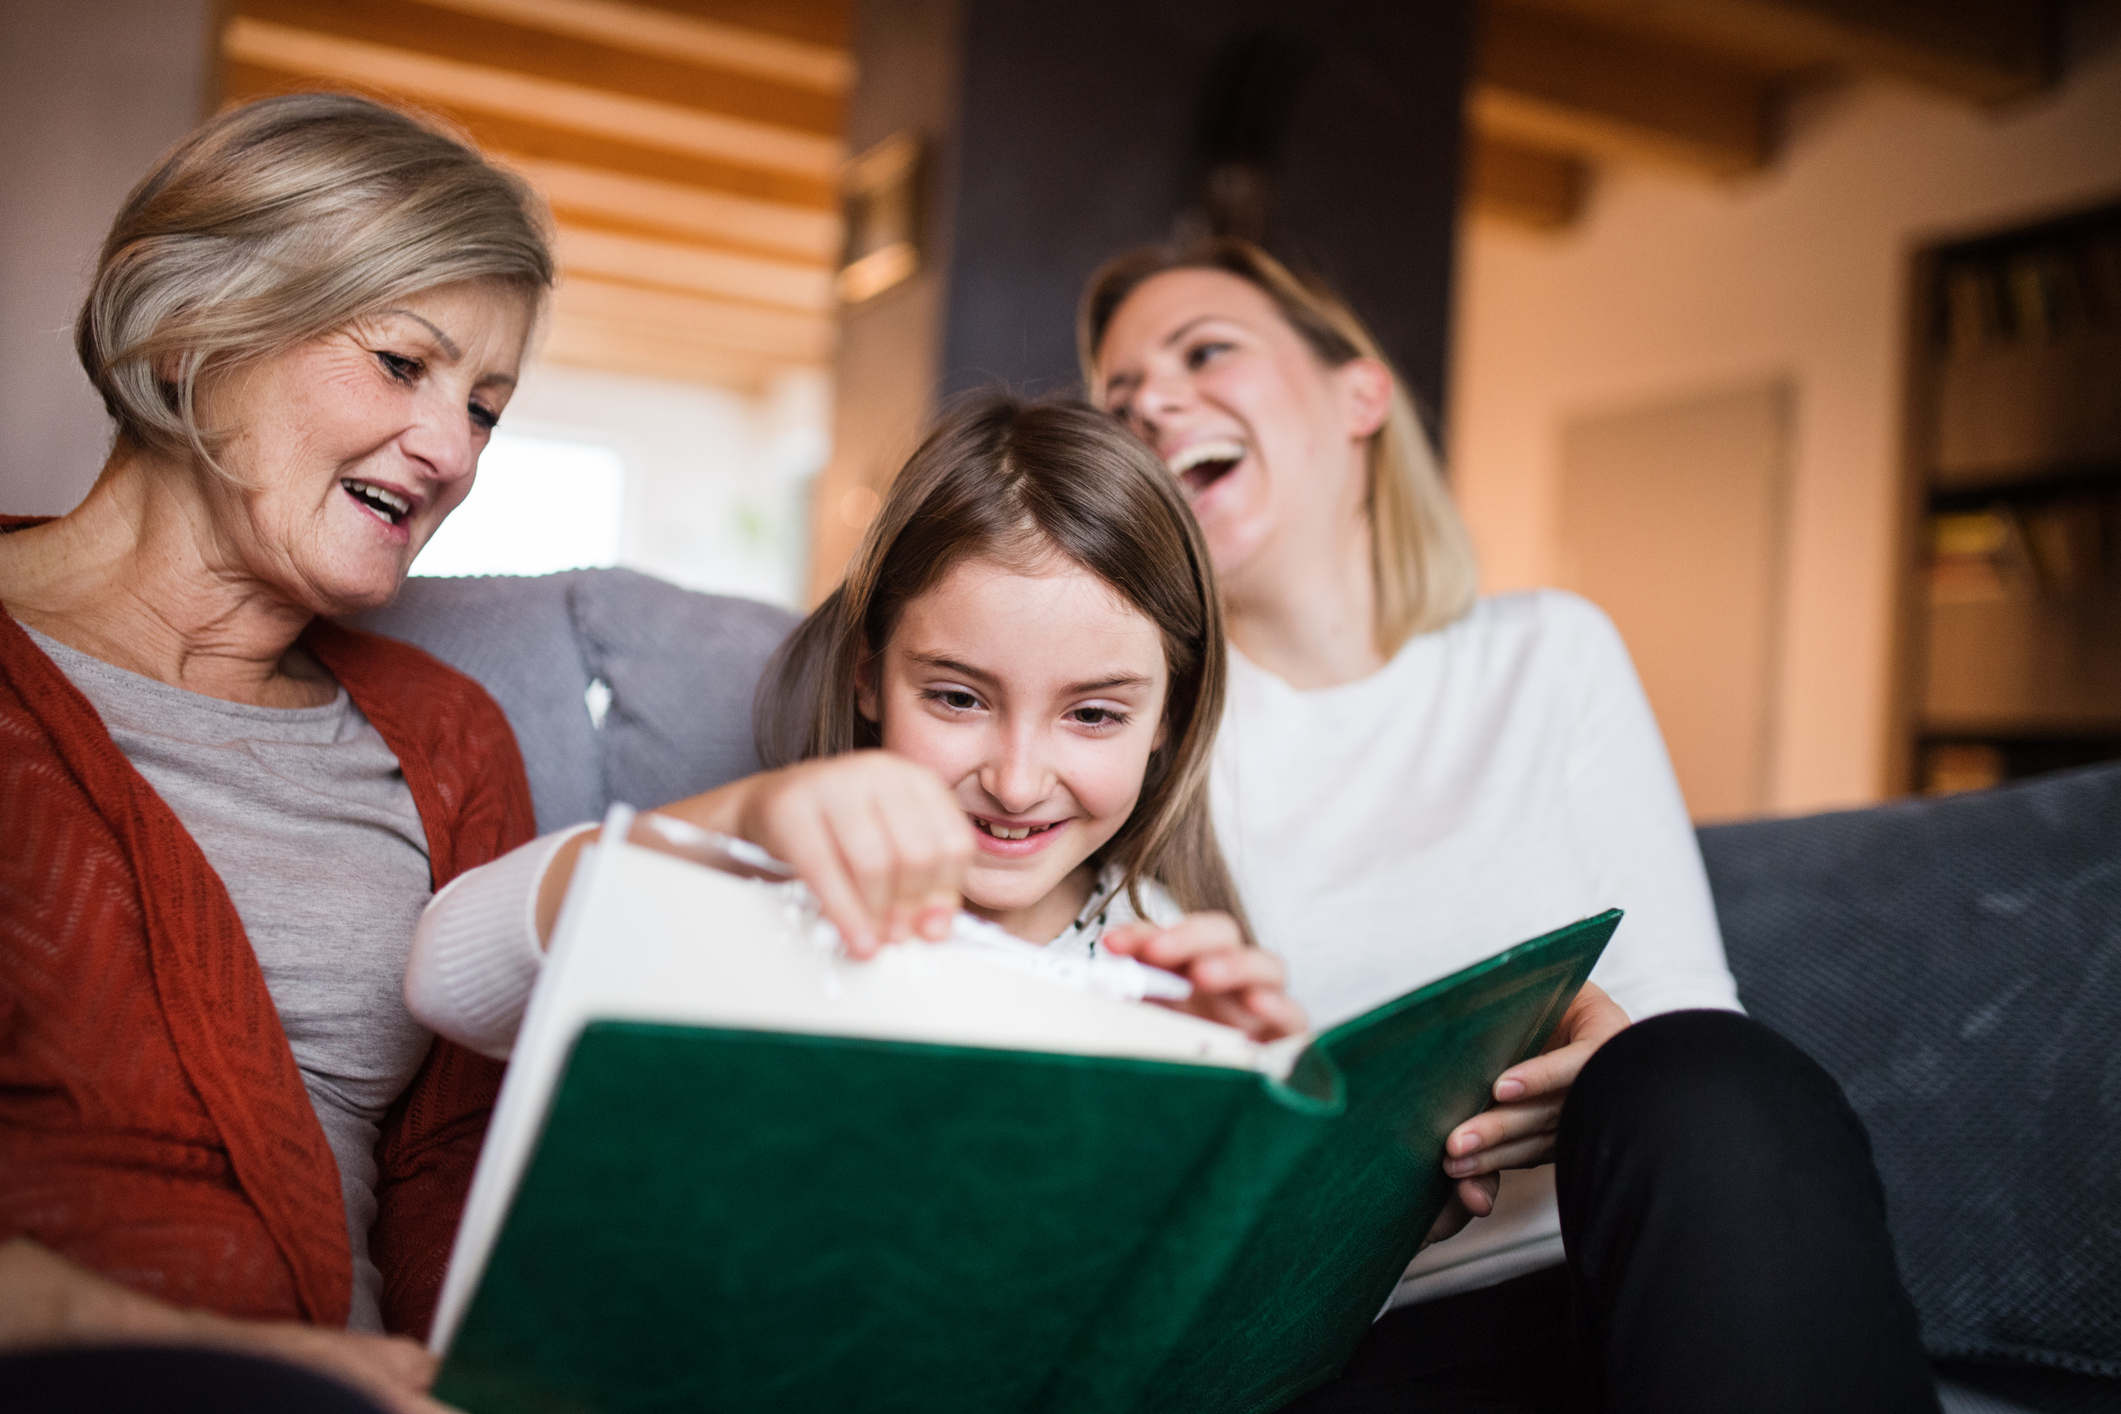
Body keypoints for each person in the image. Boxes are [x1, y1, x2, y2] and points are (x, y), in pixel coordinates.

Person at [1080, 238, 1938, 1411]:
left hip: (1626, 1284)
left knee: (1708, 1076)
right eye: (1119, 398)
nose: (1152, 402)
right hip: (1351, 1340)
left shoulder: (1548, 649)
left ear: (1359, 394)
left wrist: (1606, 1051)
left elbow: (1682, 1025)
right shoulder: (1137, 732)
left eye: (1203, 351)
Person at [0, 92, 553, 1414]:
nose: (449, 451)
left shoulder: (449, 736)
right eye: (403, 364)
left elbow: (461, 1178)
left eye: (486, 407)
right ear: (193, 329)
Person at [405, 394, 1304, 1056]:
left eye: (1095, 714)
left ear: (1166, 719)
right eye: (957, 698)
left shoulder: (1175, 972)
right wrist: (739, 824)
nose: (1017, 780)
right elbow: (446, 978)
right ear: (871, 677)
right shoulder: (764, 888)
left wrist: (1241, 1105)